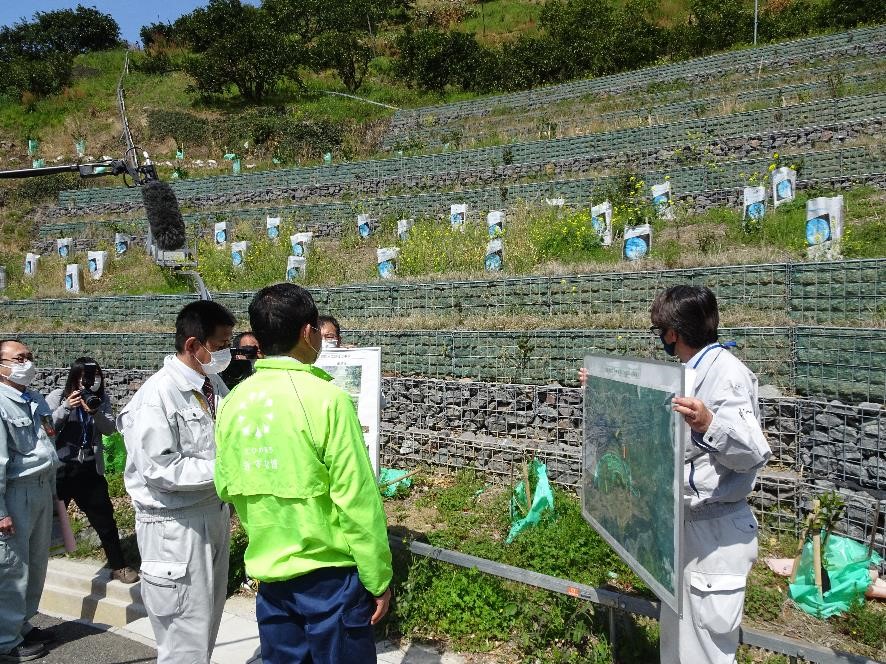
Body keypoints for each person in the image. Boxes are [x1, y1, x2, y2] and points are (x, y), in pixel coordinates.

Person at [582, 286, 770, 664]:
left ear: (672, 333)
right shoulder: (690, 372)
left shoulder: (726, 375)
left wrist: (708, 422)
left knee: (704, 653)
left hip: (713, 535)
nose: (660, 339)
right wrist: (602, 387)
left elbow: (752, 454)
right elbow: (651, 420)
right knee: (680, 648)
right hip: (685, 531)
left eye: (660, 331)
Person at [214, 283, 392, 664]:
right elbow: (357, 498)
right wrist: (378, 578)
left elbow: (225, 486)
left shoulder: (234, 404)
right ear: (308, 332)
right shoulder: (329, 400)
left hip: (271, 581)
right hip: (331, 581)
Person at [117, 301, 236, 664]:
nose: (225, 353)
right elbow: (161, 469)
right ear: (192, 345)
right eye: (219, 345)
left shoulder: (210, 383)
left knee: (205, 625)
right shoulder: (155, 397)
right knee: (184, 635)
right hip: (175, 527)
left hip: (211, 514)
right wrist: (230, 471)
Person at [46, 358, 138, 584]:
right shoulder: (58, 396)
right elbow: (47, 429)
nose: (90, 381)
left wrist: (95, 411)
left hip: (88, 469)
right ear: (74, 377)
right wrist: (67, 407)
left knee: (105, 520)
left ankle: (118, 566)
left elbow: (109, 429)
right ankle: (36, 563)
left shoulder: (101, 399)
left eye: (95, 375)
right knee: (48, 520)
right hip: (60, 470)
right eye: (85, 376)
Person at [0, 339, 57, 662]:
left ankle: (22, 623)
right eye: (17, 358)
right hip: (14, 493)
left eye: (29, 357)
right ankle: (5, 642)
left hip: (40, 488)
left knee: (36, 563)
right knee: (12, 568)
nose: (25, 363)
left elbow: (47, 441)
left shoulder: (33, 399)